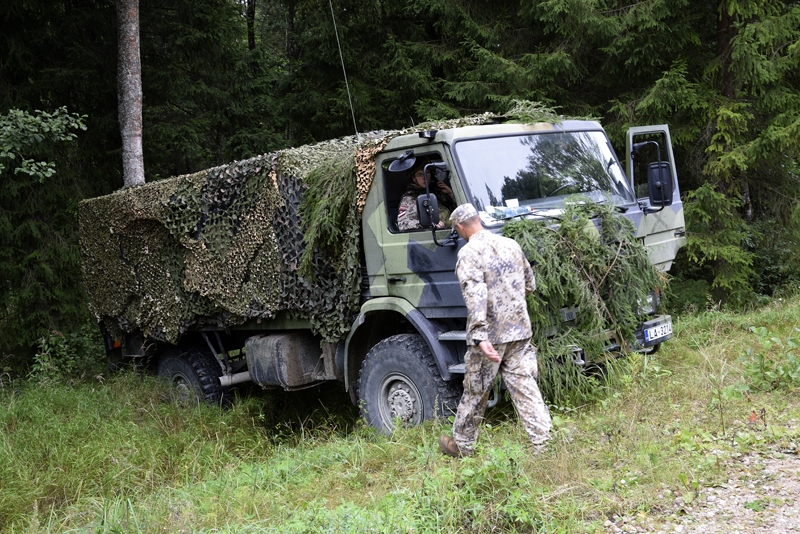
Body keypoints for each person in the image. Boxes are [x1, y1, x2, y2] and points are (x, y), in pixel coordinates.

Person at [438, 203, 552, 458]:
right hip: (520, 332)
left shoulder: (469, 253)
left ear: (459, 227)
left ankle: (463, 446)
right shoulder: (511, 244)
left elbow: (475, 294)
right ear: (479, 219)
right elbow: (529, 284)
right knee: (525, 387)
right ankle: (545, 445)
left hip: (491, 336)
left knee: (476, 390)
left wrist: (479, 334)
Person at [396, 161, 456, 231]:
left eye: (427, 173)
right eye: (420, 175)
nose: (424, 177)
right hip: (436, 236)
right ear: (414, 178)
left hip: (453, 231)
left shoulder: (437, 192)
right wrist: (429, 224)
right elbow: (403, 224)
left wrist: (450, 193)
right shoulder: (409, 198)